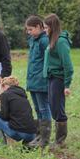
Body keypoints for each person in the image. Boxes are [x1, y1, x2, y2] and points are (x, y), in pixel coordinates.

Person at [43, 14, 74, 149]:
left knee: (57, 107)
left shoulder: (61, 42)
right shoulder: (51, 40)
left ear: (52, 27)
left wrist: (67, 85)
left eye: (46, 27)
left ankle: (60, 140)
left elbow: (68, 65)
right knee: (52, 106)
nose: (44, 30)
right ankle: (57, 139)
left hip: (58, 78)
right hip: (51, 78)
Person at [24, 15, 52, 148]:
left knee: (44, 108)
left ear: (38, 27)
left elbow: (49, 61)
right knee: (37, 109)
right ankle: (39, 135)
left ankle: (45, 139)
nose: (28, 32)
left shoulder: (44, 41)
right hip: (33, 80)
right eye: (27, 30)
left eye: (30, 29)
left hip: (41, 81)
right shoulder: (33, 40)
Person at [0, 76, 37, 144]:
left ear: (5, 86)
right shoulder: (22, 94)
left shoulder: (5, 95)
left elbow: (3, 116)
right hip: (31, 134)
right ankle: (26, 144)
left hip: (18, 133)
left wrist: (1, 94)